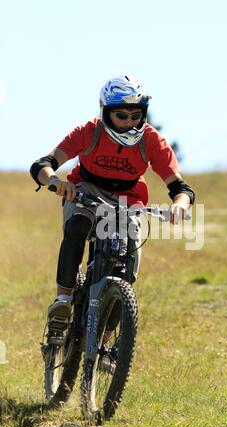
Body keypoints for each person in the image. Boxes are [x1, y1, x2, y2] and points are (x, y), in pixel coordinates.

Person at [30, 75, 195, 329]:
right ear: (106, 113)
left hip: (128, 200)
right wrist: (56, 182)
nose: (130, 123)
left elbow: (180, 188)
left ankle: (106, 344)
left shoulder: (151, 140)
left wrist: (179, 205)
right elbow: (43, 165)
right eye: (121, 115)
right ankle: (62, 300)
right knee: (77, 226)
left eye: (136, 115)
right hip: (85, 191)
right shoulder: (89, 132)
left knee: (125, 267)